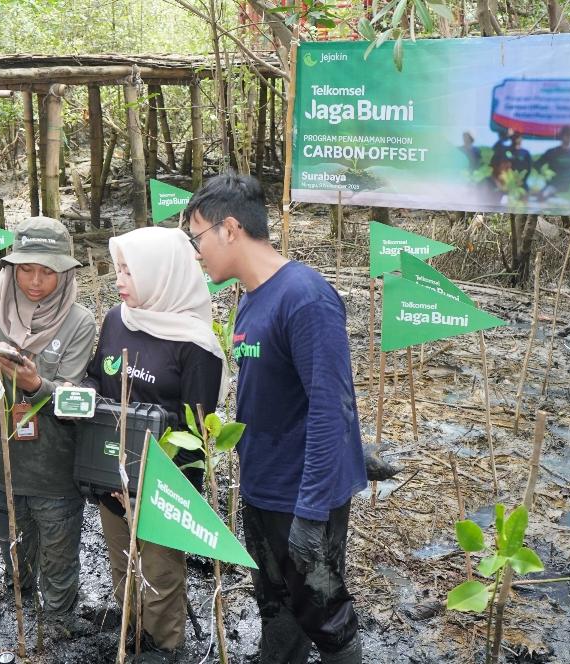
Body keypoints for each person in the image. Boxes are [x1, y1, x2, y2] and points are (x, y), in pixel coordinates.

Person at [184, 173, 366, 664]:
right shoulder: (249, 299)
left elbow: (332, 404)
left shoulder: (304, 297)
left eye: (197, 236)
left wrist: (312, 512)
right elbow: (283, 394)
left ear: (229, 229)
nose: (196, 251)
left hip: (301, 497)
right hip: (263, 487)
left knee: (326, 617)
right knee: (277, 605)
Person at [83, 226, 225, 663]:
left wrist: (152, 489)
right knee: (123, 567)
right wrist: (81, 392)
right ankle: (130, 639)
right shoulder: (115, 320)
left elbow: (196, 433)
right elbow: (96, 375)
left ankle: (163, 649)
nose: (120, 280)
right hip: (110, 477)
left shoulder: (194, 344)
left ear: (162, 274)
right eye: (119, 270)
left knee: (161, 577)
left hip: (162, 486)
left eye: (130, 271)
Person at [0, 217, 97, 635]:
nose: (36, 281)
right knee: (15, 551)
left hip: (55, 464)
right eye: (26, 269)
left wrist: (36, 384)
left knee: (58, 558)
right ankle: (20, 615)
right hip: (2, 455)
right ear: (11, 268)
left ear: (66, 271)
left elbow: (74, 397)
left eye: (48, 271)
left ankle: (58, 626)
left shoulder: (80, 322)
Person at [536, 126, 570, 196]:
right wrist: (544, 173)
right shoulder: (552, 152)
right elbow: (537, 164)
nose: (569, 137)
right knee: (542, 196)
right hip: (553, 185)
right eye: (566, 134)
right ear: (561, 136)